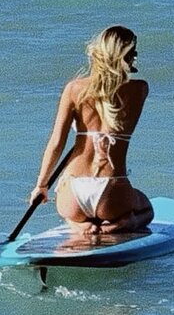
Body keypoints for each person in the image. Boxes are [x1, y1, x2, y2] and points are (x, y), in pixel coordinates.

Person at [28, 26, 154, 235]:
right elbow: (115, 90)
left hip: (73, 192)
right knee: (147, 209)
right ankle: (122, 223)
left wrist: (41, 186)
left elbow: (57, 142)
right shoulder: (139, 89)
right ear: (128, 56)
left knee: (69, 211)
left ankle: (78, 224)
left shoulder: (74, 89)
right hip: (112, 192)